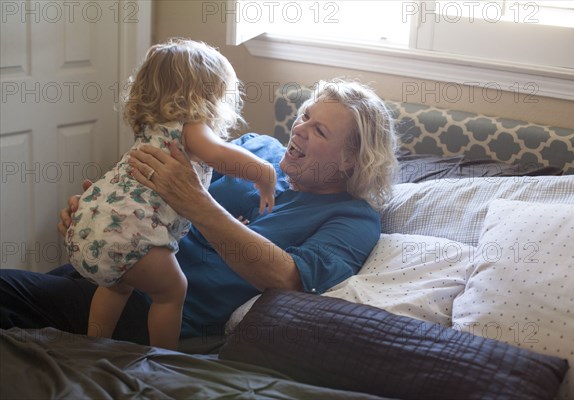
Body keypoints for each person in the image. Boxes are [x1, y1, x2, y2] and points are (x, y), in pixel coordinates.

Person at [0, 79, 397, 347]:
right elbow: (152, 189)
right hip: (109, 267)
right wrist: (101, 215)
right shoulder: (255, 149)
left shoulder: (354, 217)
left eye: (320, 130)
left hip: (158, 311)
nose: (299, 128)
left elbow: (289, 278)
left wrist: (198, 204)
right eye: (305, 115)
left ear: (351, 160)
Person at [64, 38, 276, 350]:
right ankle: (165, 358)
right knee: (174, 289)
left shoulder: (152, 126)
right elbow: (219, 154)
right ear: (205, 92)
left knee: (116, 287)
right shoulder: (189, 127)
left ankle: (93, 346)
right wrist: (264, 173)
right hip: (129, 231)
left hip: (87, 226)